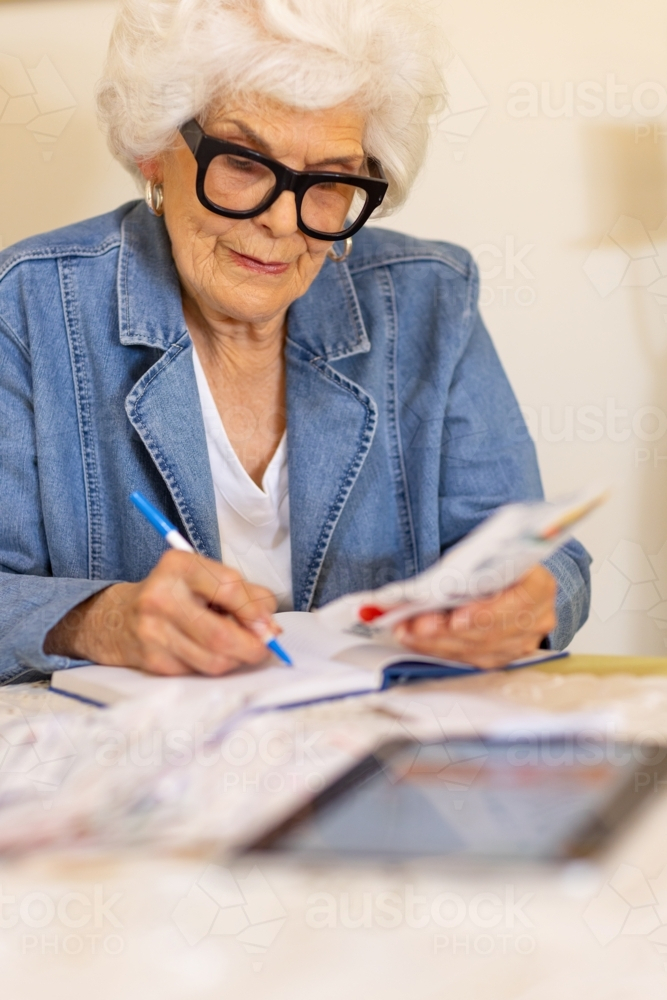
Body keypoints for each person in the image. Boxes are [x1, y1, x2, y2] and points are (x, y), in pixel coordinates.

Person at [0, 0, 590, 682]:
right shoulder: (28, 306)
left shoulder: (429, 300)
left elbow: (542, 559)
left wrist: (531, 602)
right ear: (156, 151)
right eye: (245, 164)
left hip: (377, 756)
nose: (284, 221)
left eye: (331, 180)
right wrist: (102, 619)